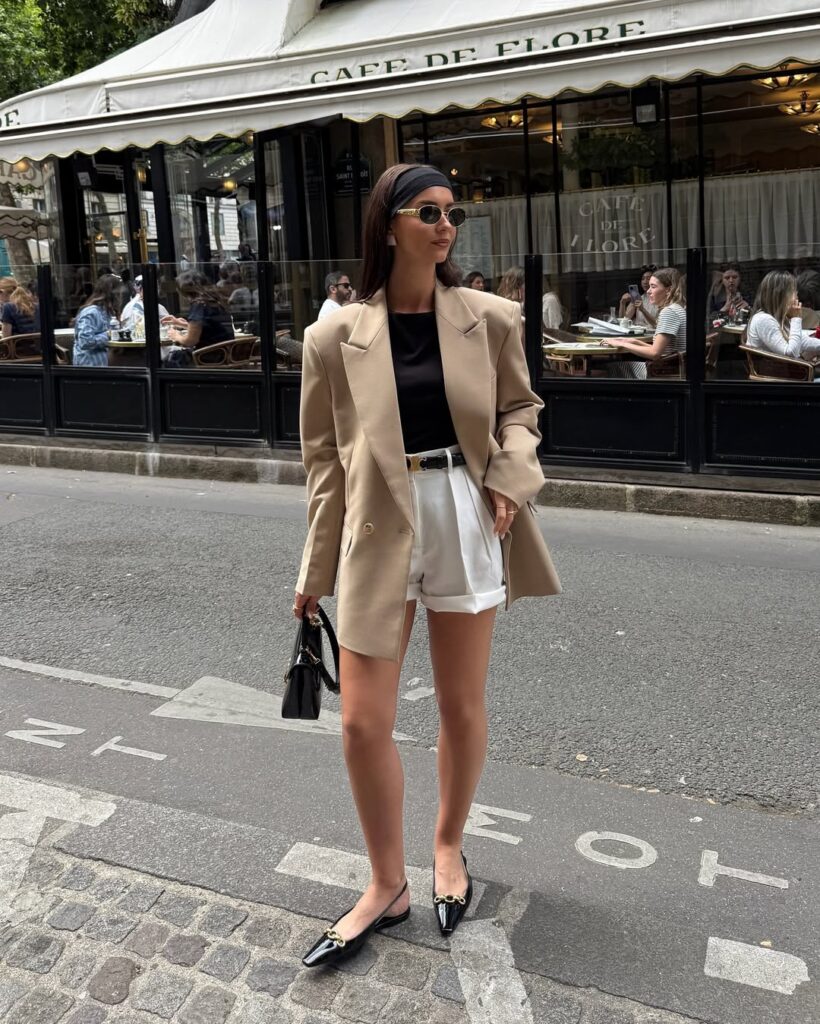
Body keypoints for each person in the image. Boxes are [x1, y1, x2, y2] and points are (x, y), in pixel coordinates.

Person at [293, 163, 561, 969]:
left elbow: (521, 410)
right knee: (362, 720)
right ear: (388, 226)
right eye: (429, 212)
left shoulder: (492, 317)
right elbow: (324, 465)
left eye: (455, 213)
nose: (446, 226)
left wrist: (512, 480)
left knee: (459, 703)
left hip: (463, 509)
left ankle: (448, 849)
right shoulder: (334, 335)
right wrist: (312, 573)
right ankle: (386, 883)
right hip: (377, 525)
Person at [604, 268, 686, 379]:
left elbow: (655, 353)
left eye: (653, 286)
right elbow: (660, 349)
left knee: (609, 369)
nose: (648, 291)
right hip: (672, 367)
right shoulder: (677, 308)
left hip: (665, 372)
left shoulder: (669, 312)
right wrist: (630, 341)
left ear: (668, 290)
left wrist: (623, 344)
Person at [746, 271, 820, 365]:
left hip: (790, 372)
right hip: (778, 376)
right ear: (781, 296)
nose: (797, 298)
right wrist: (796, 318)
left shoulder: (780, 318)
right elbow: (790, 354)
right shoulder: (763, 319)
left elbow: (803, 341)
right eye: (793, 292)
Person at [165, 270, 234, 359]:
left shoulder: (198, 305)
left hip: (209, 357)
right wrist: (181, 324)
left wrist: (176, 336)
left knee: (169, 359)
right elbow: (209, 328)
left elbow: (190, 341)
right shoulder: (216, 302)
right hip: (225, 354)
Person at [73, 275, 121, 367]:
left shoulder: (108, 312)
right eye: (118, 292)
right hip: (91, 367)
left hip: (106, 363)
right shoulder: (91, 312)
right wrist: (109, 335)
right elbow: (85, 341)